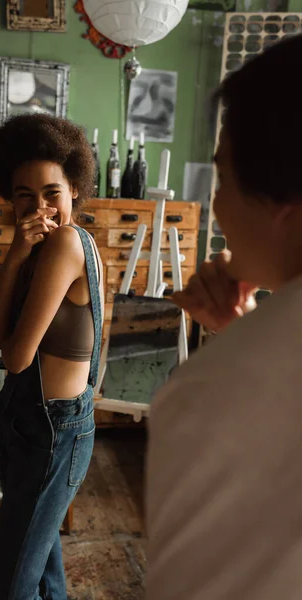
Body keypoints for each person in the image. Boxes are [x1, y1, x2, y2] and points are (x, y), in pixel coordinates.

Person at [147, 34, 302, 600]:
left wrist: (247, 352)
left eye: (222, 176)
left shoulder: (208, 393)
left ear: (282, 198)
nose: (215, 206)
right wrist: (246, 331)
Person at [0, 114, 104, 600]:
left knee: (9, 587)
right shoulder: (33, 248)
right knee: (42, 572)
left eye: (52, 192)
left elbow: (14, 357)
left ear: (75, 188)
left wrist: (23, 257)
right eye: (24, 196)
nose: (40, 208)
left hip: (55, 431)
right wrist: (14, 253)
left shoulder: (67, 244)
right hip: (23, 420)